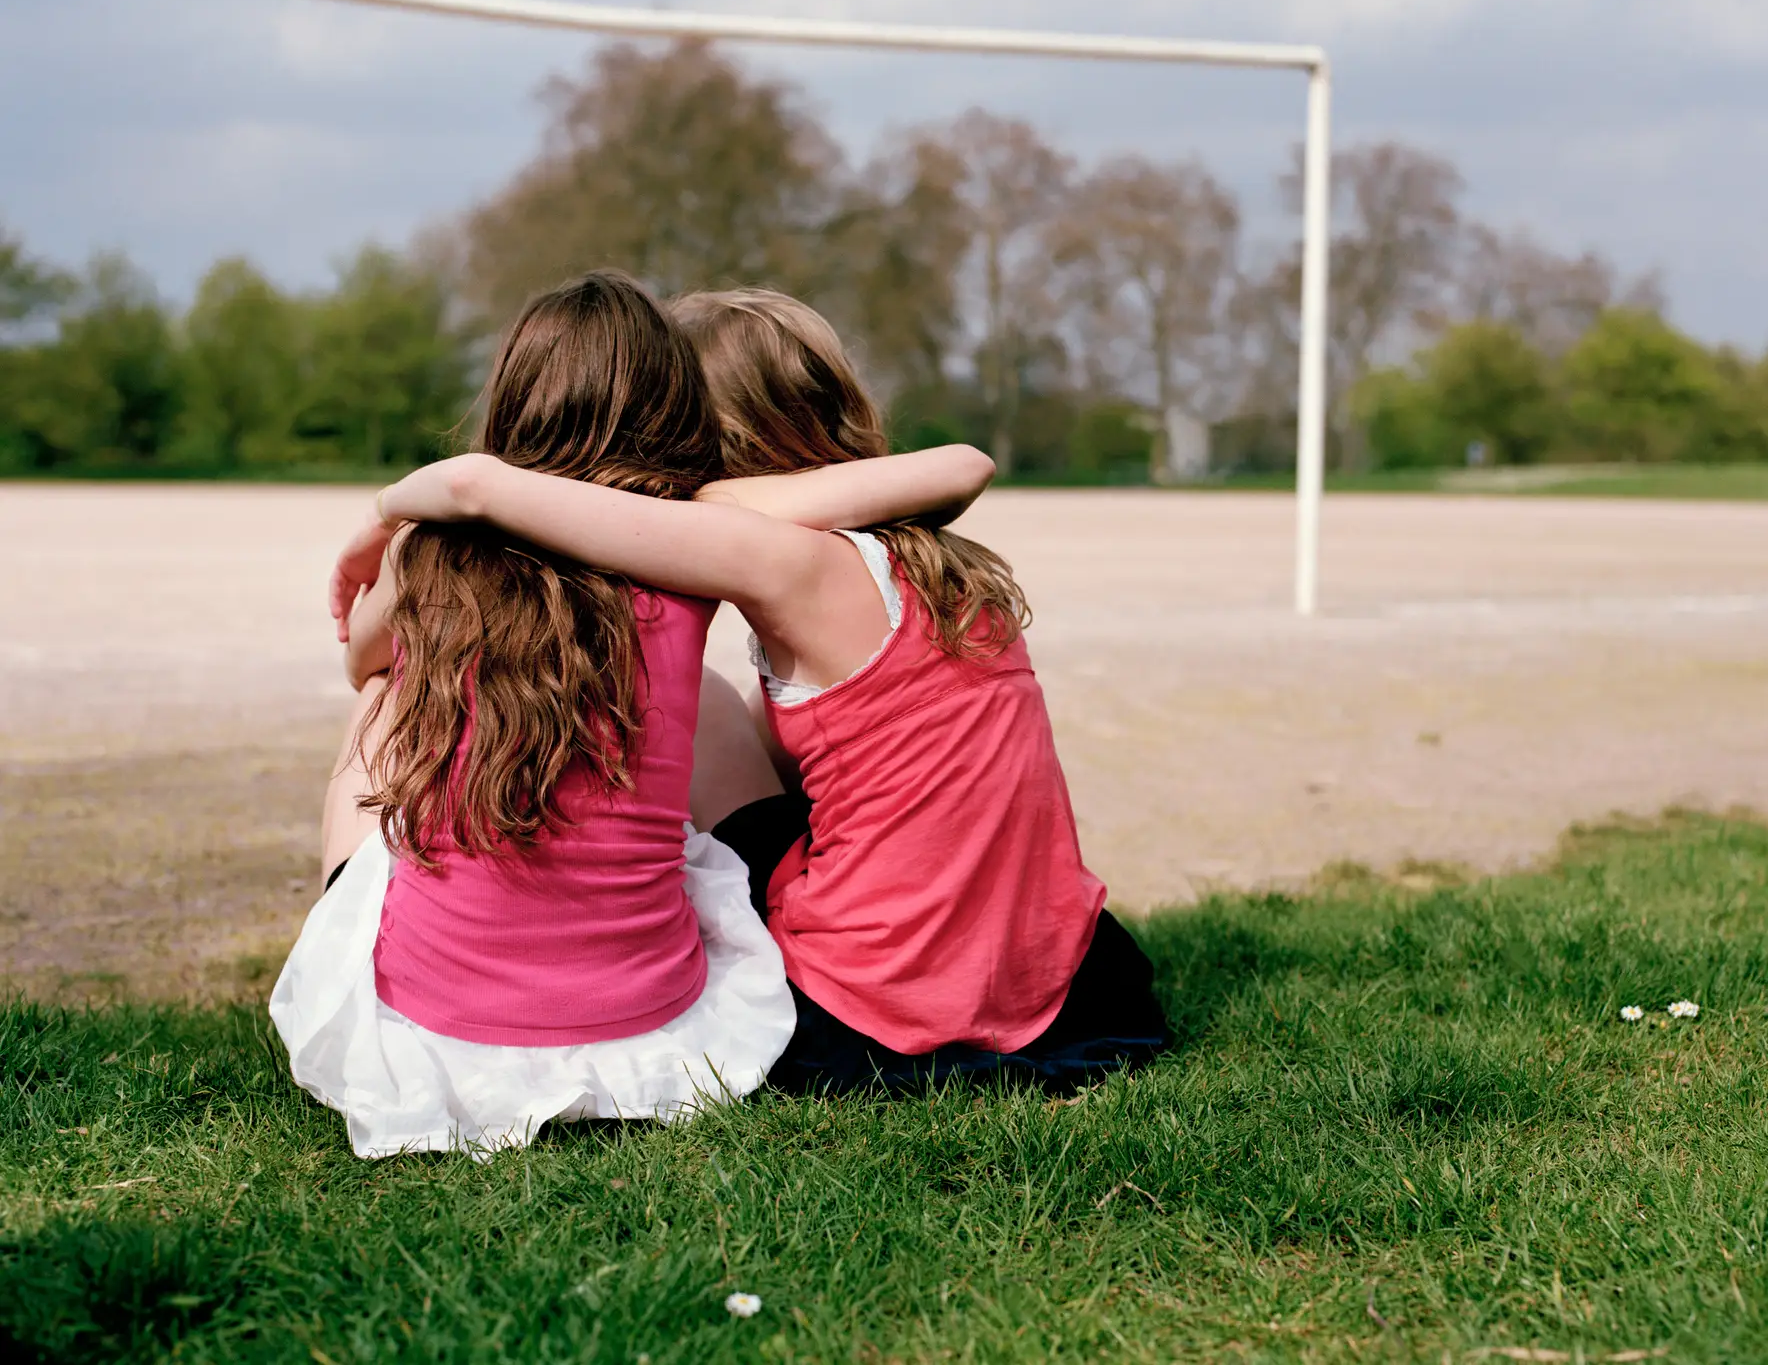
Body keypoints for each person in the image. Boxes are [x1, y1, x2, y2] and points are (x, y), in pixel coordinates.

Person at [336, 284, 1169, 1096]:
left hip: (871, 1012)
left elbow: (490, 494)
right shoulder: (935, 563)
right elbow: (964, 466)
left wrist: (386, 521)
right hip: (1066, 980)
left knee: (667, 700)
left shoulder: (771, 553)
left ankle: (465, 923)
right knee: (730, 711)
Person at [275, 271, 994, 1156]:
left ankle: (399, 936)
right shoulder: (681, 551)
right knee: (700, 702)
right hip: (647, 1030)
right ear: (673, 406)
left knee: (385, 692)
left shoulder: (429, 554)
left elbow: (360, 659)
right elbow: (946, 470)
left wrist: (391, 531)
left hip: (440, 1042)